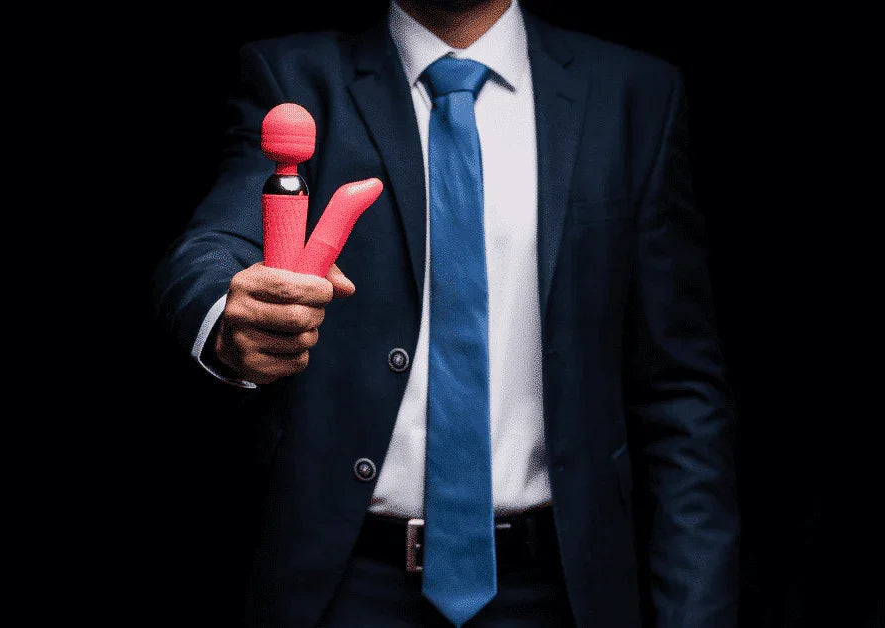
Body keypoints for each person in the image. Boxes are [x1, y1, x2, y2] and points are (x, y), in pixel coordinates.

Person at [152, 0, 739, 625]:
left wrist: (695, 611)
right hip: (347, 588)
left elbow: (680, 392)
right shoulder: (294, 76)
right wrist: (233, 316)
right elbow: (214, 246)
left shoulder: (634, 93)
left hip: (561, 591)